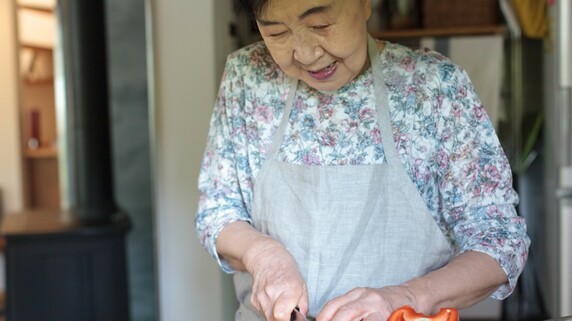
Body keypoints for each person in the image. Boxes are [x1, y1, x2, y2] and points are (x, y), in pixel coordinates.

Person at [196, 0, 530, 320]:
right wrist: (264, 257)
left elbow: (499, 242)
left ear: (364, 4)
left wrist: (406, 298)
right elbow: (218, 211)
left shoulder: (433, 87)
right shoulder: (248, 77)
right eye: (277, 33)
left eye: (320, 25)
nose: (306, 54)